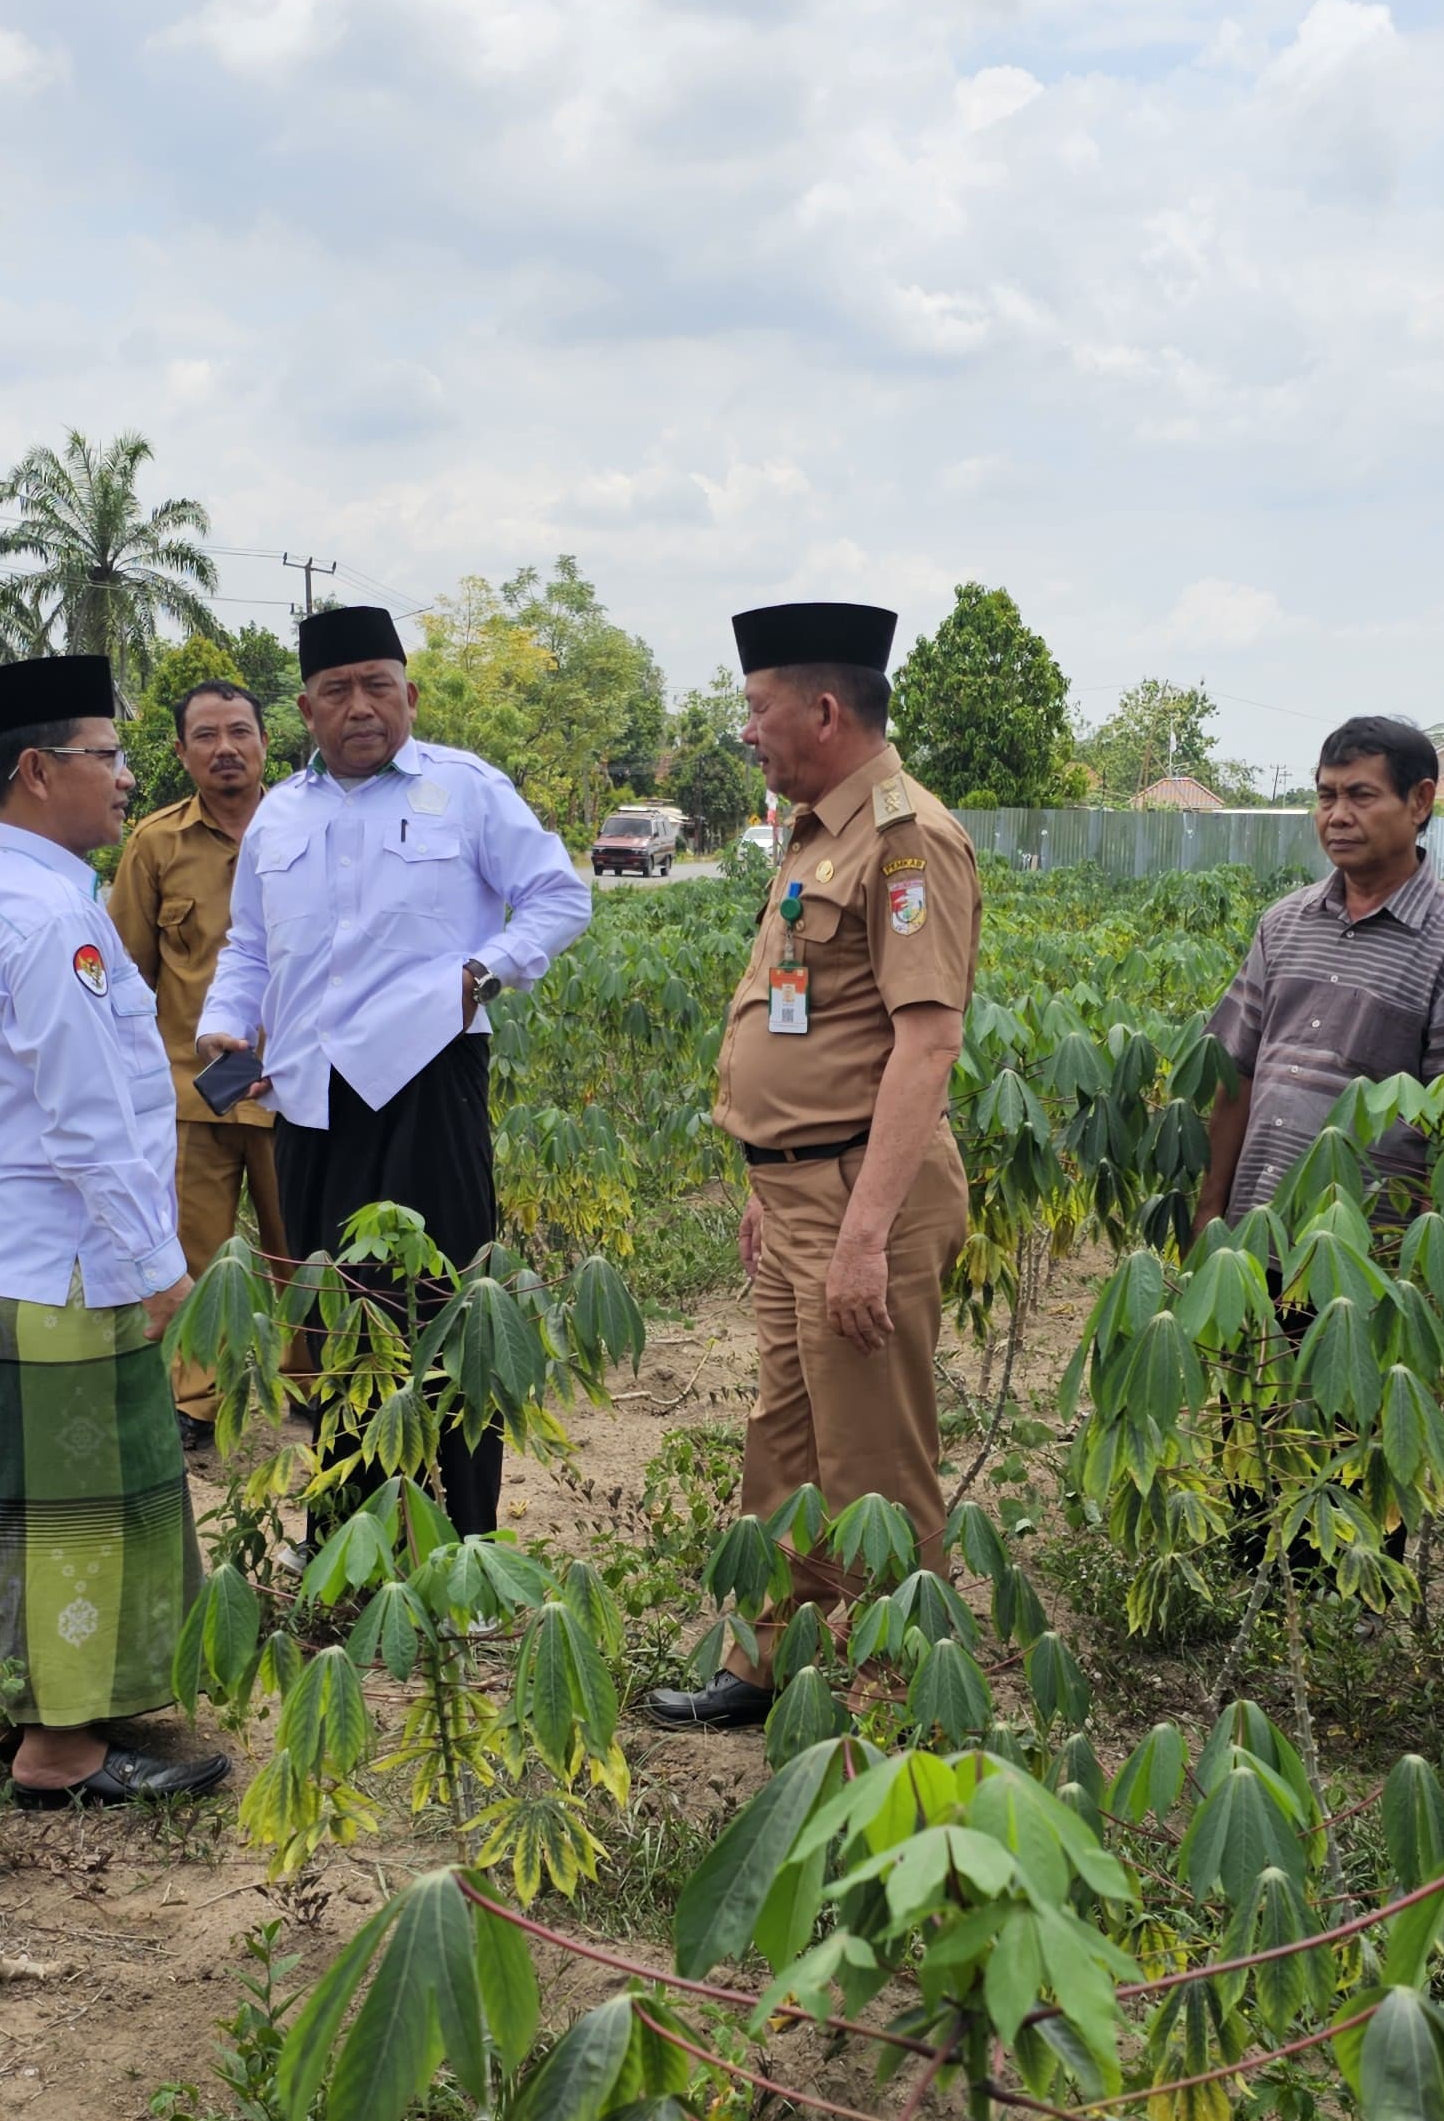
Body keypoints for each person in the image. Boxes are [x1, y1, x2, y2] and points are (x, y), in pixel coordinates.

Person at [647, 603, 979, 1734]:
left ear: (823, 711)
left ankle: (899, 1699)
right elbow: (801, 1026)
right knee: (782, 1441)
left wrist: (863, 1233)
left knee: (873, 1463)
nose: (746, 731)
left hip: (856, 1197)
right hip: (798, 1190)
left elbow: (925, 1042)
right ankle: (773, 1656)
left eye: (757, 708)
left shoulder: (904, 838)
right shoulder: (814, 830)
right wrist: (763, 1180)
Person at [194, 604, 591, 1535]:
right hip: (309, 1100)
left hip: (430, 1084)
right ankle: (352, 1535)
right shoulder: (279, 816)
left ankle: (469, 1540)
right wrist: (223, 1025)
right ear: (306, 708)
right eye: (337, 691)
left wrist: (483, 974)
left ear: (410, 696)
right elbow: (250, 944)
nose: (360, 707)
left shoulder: (467, 789)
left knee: (447, 1311)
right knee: (335, 1315)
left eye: (378, 686)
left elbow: (557, 896)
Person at [0, 652, 228, 1813]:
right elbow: (93, 1119)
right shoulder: (51, 921)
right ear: (39, 771)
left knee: (11, 1493)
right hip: (63, 1257)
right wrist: (156, 1266)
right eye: (107, 753)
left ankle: (27, 1698)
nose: (126, 773)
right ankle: (62, 1749)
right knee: (77, 1508)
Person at [1196, 715, 1444, 1225]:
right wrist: (1209, 1215)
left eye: (1361, 796)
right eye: (1327, 797)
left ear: (1420, 802)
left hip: (1369, 1267)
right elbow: (1235, 1075)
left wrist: (1420, 1274)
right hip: (1250, 1243)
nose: (1338, 816)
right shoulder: (1282, 923)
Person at [107, 674, 288, 1448]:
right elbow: (126, 973)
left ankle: (315, 1380)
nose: (225, 750)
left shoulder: (305, 826)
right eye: (206, 737)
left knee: (302, 1245)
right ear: (180, 752)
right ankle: (197, 1400)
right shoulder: (155, 843)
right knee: (195, 1254)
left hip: (296, 1089)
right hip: (192, 1094)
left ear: (265, 741)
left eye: (239, 732)